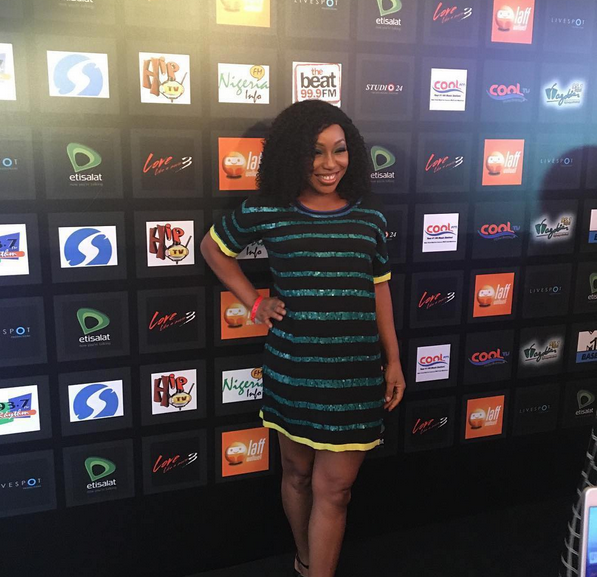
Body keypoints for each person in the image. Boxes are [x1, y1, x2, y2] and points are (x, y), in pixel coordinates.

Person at [201, 99, 406, 577]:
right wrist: (254, 302)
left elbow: (380, 290)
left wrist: (394, 360)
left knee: (336, 490)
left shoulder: (369, 216)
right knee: (297, 475)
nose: (330, 163)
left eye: (339, 149)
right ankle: (306, 561)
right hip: (293, 371)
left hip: (356, 376)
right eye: (316, 151)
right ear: (293, 154)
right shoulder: (268, 208)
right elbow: (213, 247)